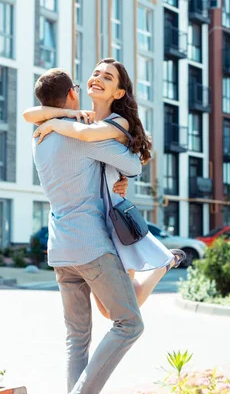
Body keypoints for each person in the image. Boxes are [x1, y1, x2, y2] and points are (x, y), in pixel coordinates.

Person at [25, 67, 144, 394]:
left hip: (60, 249)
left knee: (77, 338)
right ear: (73, 94)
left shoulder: (40, 136)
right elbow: (134, 165)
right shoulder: (86, 137)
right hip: (91, 245)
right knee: (129, 324)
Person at [24, 58, 185, 318]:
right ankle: (164, 264)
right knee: (111, 308)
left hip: (115, 219)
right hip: (94, 225)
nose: (98, 78)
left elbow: (101, 146)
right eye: (96, 72)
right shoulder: (81, 118)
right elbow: (29, 115)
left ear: (118, 93)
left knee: (115, 311)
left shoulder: (117, 122)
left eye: (107, 77)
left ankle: (162, 266)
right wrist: (63, 115)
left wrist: (53, 123)